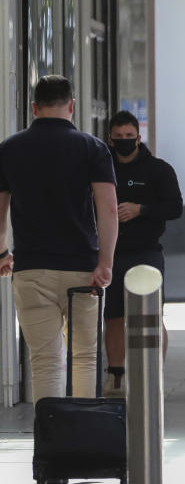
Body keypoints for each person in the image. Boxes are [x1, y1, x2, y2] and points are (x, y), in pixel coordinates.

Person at [0, 75, 118, 404]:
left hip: (31, 269)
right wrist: (105, 263)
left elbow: (0, 210)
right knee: (84, 357)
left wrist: (2, 254)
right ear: (72, 106)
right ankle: (82, 435)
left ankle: (49, 440)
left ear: (34, 108)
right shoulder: (92, 148)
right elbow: (108, 209)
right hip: (83, 269)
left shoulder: (9, 149)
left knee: (45, 361)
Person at [102, 110, 183, 397]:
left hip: (146, 253)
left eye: (129, 136)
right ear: (110, 139)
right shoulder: (102, 168)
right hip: (110, 254)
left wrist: (141, 209)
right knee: (112, 316)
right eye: (119, 137)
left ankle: (153, 374)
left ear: (138, 137)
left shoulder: (158, 170)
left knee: (150, 315)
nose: (124, 141)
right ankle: (115, 376)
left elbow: (175, 208)